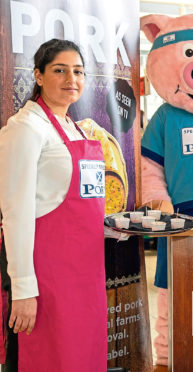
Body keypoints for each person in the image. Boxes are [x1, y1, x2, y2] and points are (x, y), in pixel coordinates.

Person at [0, 39, 107, 371]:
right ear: (39, 76)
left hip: (83, 275)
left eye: (78, 71)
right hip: (45, 276)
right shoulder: (25, 127)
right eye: (59, 70)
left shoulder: (74, 128)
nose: (70, 79)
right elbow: (15, 213)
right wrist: (23, 289)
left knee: (80, 358)